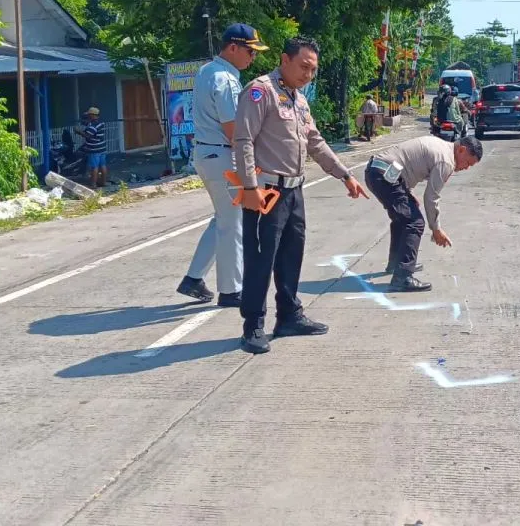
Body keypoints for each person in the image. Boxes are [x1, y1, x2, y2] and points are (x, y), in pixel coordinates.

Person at [235, 36, 369, 354]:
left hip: (294, 191)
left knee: (291, 255)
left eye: (313, 69)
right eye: (303, 67)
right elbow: (243, 141)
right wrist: (250, 187)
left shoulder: (298, 99)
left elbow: (316, 143)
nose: (309, 74)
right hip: (264, 191)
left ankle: (289, 316)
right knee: (260, 260)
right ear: (285, 60)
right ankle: (253, 325)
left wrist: (345, 175)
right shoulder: (260, 92)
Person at [176, 23, 268, 306]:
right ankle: (231, 291)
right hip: (223, 155)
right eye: (250, 51)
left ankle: (193, 278)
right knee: (233, 225)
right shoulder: (226, 80)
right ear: (232, 48)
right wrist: (250, 162)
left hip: (208, 154)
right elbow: (234, 130)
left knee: (223, 220)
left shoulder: (207, 71)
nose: (252, 58)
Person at [365, 135, 483, 292]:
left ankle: (397, 264)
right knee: (414, 222)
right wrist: (436, 229)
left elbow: (407, 164)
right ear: (462, 150)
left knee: (403, 217)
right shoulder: (446, 161)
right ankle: (402, 277)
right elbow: (431, 197)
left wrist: (408, 193)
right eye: (468, 162)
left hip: (377, 171)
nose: (466, 168)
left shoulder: (441, 146)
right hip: (385, 176)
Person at [77, 107, 107, 188]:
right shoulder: (101, 123)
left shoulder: (93, 126)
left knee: (94, 167)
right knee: (103, 166)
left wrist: (79, 132)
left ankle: (93, 184)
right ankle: (103, 182)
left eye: (89, 115)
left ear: (93, 115)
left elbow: (88, 135)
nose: (88, 116)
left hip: (94, 149)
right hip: (102, 147)